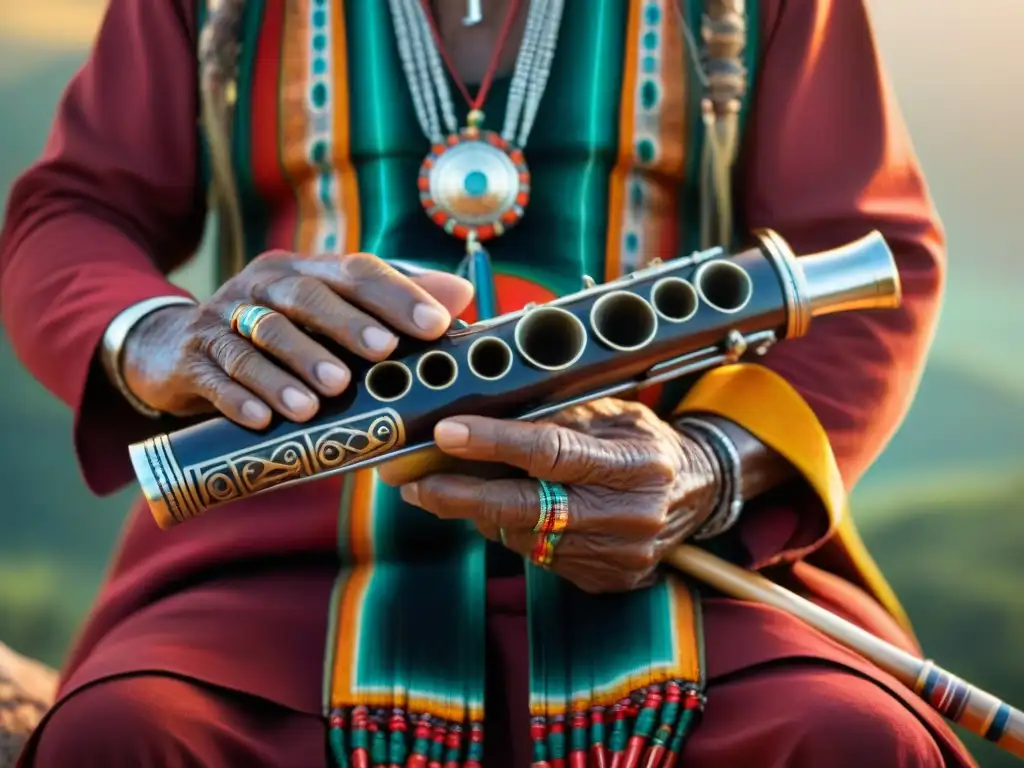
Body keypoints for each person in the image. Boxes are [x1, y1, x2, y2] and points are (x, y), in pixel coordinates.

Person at [0, 0, 976, 765]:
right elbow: (77, 208)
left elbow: (866, 261)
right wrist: (162, 335)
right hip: (284, 538)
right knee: (128, 737)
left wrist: (711, 466)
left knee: (847, 739)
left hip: (661, 532)